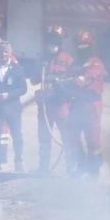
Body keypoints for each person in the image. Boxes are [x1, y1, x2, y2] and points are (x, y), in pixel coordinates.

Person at [66, 30, 106, 177]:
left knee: (93, 139)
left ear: (91, 47)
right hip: (77, 104)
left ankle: (94, 170)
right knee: (72, 136)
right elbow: (68, 77)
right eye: (79, 47)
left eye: (85, 47)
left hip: (91, 105)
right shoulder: (75, 63)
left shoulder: (96, 62)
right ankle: (81, 164)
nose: (81, 50)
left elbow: (87, 77)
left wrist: (76, 80)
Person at [0, 41, 26, 171]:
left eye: (6, 51)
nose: (4, 54)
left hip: (12, 107)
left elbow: (23, 88)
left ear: (10, 53)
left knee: (17, 135)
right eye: (2, 52)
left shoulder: (18, 69)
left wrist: (9, 95)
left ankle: (18, 160)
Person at [36, 26, 74, 174]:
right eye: (50, 41)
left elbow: (73, 81)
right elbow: (34, 79)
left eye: (55, 41)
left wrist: (60, 82)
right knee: (44, 139)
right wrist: (38, 68)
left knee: (67, 137)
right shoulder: (43, 58)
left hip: (61, 104)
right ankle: (43, 168)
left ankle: (71, 168)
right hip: (45, 105)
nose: (52, 44)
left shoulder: (68, 60)